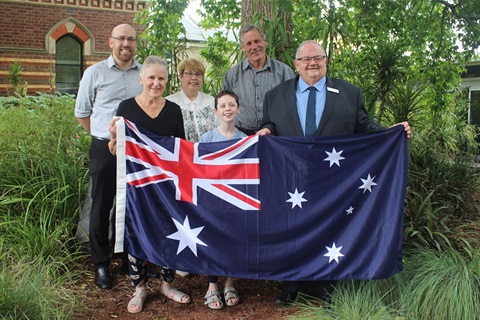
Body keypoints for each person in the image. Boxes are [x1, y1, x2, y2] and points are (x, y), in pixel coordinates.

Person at [257, 40, 411, 305]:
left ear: (326, 61)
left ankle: (325, 283)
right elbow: (269, 123)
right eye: (306, 59)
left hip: (334, 180)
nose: (312, 63)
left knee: (330, 229)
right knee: (293, 229)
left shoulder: (349, 93)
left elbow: (364, 126)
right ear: (296, 64)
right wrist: (267, 131)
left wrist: (391, 132)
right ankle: (291, 283)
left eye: (317, 58)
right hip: (292, 178)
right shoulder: (276, 95)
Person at [108, 56, 191, 313]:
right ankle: (140, 287)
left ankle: (167, 285)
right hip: (136, 186)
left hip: (165, 185)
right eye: (151, 77)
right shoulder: (126, 108)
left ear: (167, 81)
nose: (156, 83)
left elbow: (181, 151)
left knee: (167, 230)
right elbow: (114, 150)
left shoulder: (174, 110)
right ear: (141, 79)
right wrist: (113, 137)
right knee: (136, 232)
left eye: (161, 78)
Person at [74, 24, 143, 290]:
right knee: (102, 205)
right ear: (110, 42)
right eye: (121, 39)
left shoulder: (143, 73)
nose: (126, 44)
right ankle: (101, 263)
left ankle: (128, 257)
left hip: (137, 151)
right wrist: (104, 137)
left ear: (135, 44)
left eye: (131, 39)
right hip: (105, 148)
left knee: (133, 204)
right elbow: (82, 112)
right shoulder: (95, 73)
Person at [200, 90, 245, 309]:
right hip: (213, 200)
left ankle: (229, 283)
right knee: (213, 241)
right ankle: (212, 286)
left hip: (236, 200)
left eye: (231, 105)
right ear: (216, 111)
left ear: (238, 109)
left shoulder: (245, 140)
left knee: (233, 240)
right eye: (223, 106)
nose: (227, 109)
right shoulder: (207, 139)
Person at [222, 25, 295, 135]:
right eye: (249, 43)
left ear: (265, 42)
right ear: (243, 48)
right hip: (241, 136)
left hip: (275, 135)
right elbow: (225, 106)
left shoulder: (284, 72)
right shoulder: (232, 75)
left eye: (257, 41)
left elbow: (292, 106)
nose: (254, 47)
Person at [166, 58, 216, 142]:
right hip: (182, 153)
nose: (194, 78)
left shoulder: (211, 102)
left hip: (209, 152)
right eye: (189, 74)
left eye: (198, 74)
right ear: (181, 76)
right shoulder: (169, 103)